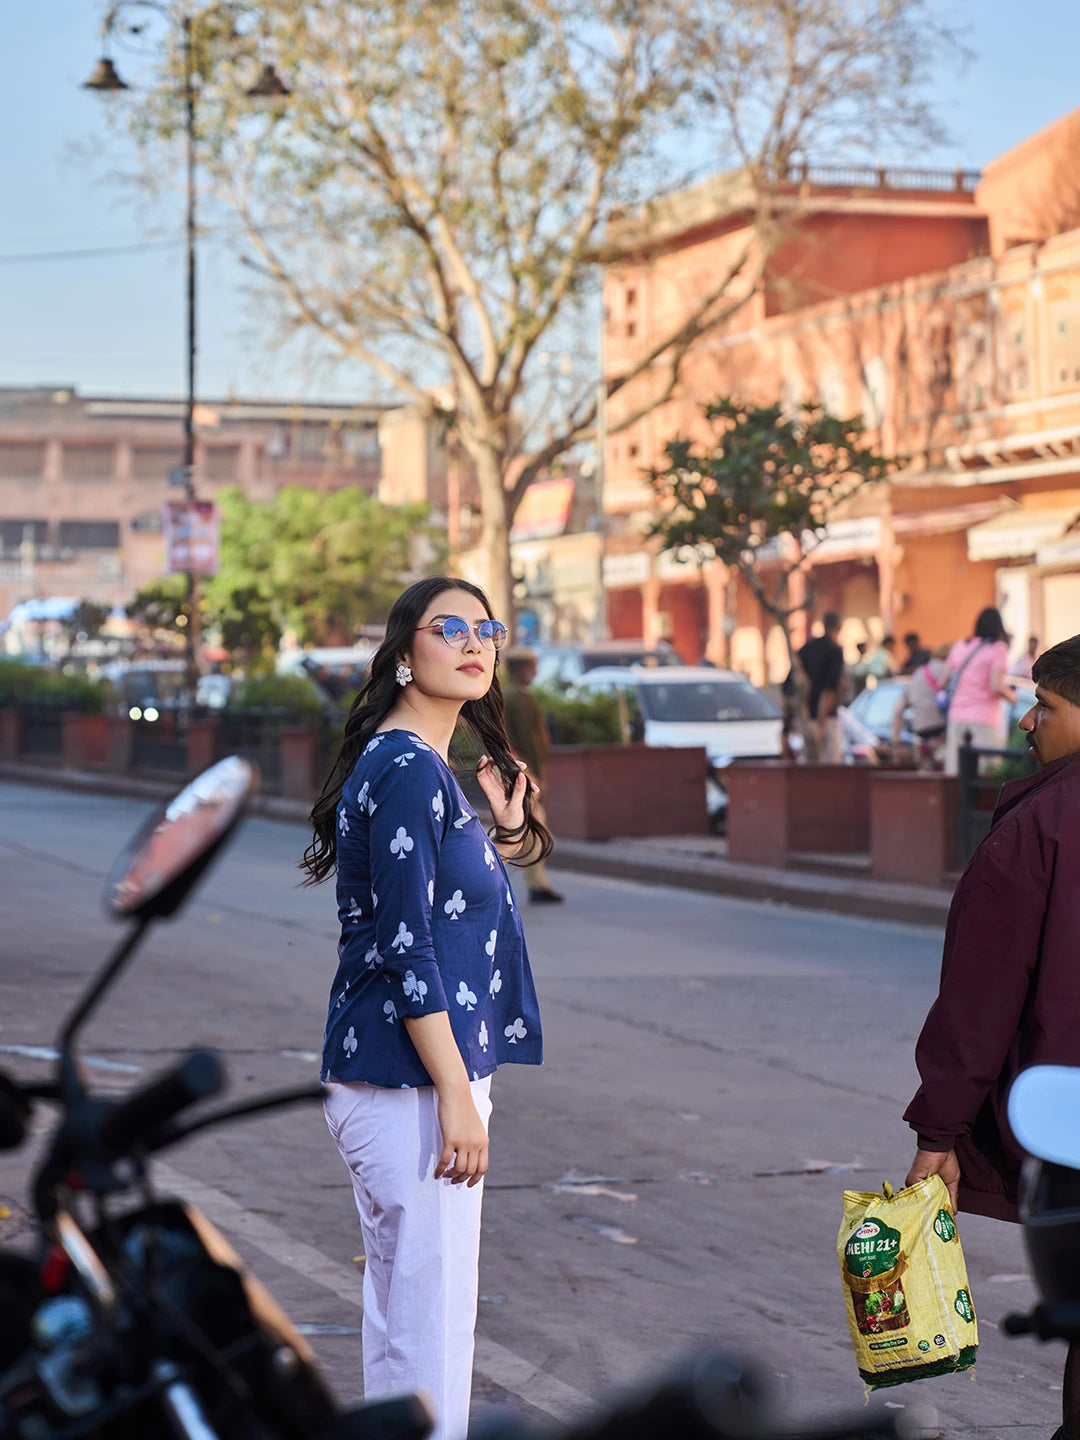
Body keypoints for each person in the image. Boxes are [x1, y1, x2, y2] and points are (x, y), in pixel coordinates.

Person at [302, 577, 551, 1440]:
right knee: (430, 1334)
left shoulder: (421, 767)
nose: (475, 640)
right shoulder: (408, 768)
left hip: (403, 1079)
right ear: (407, 654)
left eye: (487, 627)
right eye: (451, 627)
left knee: (409, 1323)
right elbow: (406, 945)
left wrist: (507, 829)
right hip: (410, 1083)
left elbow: (449, 903)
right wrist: (454, 1093)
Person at [903, 633, 1080, 1440]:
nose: (1028, 724)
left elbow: (981, 996)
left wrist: (939, 1131)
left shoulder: (1042, 823)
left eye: (1045, 706)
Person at [500, 647, 564, 904]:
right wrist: (537, 773)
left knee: (527, 830)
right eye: (532, 667)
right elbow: (528, 740)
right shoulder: (519, 698)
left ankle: (537, 882)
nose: (535, 672)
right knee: (535, 830)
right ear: (521, 670)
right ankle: (535, 885)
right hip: (524, 770)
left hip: (514, 769)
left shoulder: (509, 694)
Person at [942, 606, 1015, 775]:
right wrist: (1012, 696)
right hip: (984, 718)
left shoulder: (960, 646)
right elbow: (997, 686)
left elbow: (941, 682)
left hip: (957, 716)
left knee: (957, 774)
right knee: (987, 774)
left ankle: (958, 803)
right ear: (998, 627)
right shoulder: (998, 649)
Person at [798, 611, 845, 762]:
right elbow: (829, 689)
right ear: (838, 627)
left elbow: (797, 685)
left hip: (807, 716)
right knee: (830, 772)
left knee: (811, 771)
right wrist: (821, 724)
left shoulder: (806, 649)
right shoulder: (834, 650)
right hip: (826, 719)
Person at [891, 646, 948, 769]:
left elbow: (897, 711)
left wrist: (896, 743)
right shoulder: (945, 669)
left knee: (925, 773)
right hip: (941, 731)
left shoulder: (916, 676)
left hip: (920, 733)